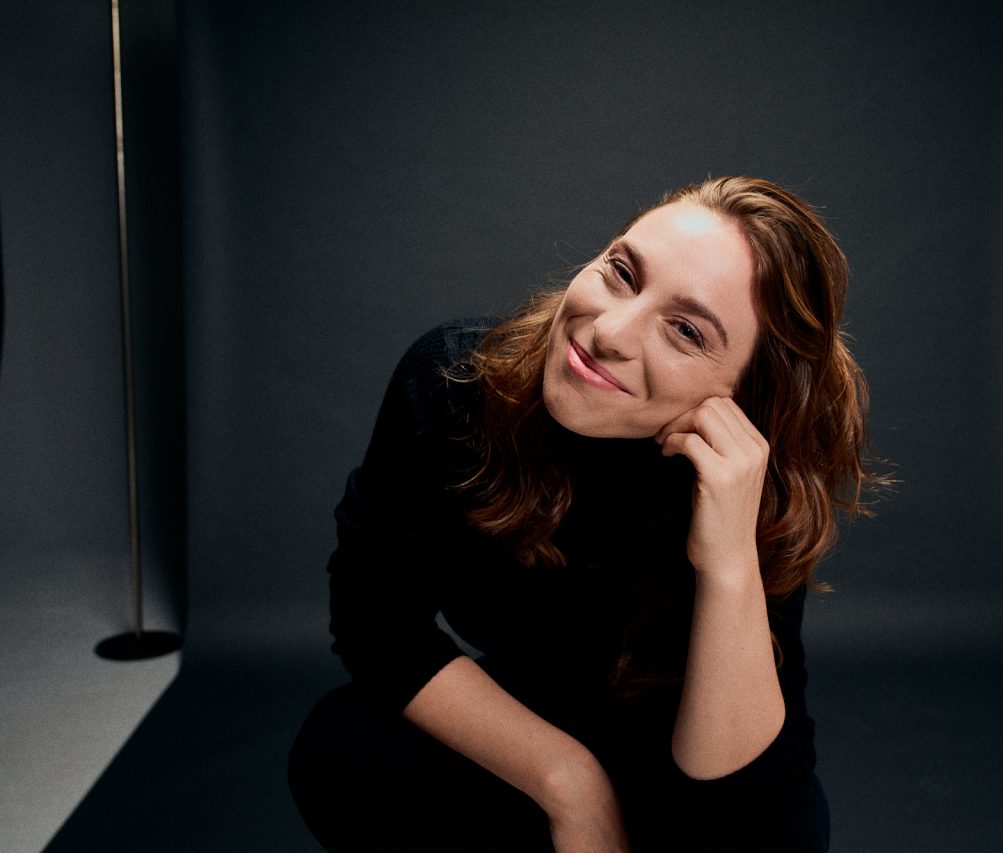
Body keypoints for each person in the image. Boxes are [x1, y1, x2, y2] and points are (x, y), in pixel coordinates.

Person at [288, 176, 879, 852]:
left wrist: (728, 562)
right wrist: (568, 781)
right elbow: (373, 616)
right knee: (344, 747)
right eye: (623, 273)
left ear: (742, 396)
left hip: (698, 766)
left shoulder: (748, 483)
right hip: (541, 725)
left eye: (685, 330)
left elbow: (746, 813)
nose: (607, 332)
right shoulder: (454, 385)